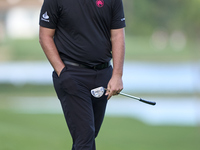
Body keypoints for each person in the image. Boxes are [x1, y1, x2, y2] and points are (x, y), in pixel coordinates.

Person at [39, 0, 126, 149]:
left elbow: (117, 36)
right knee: (85, 137)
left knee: (88, 136)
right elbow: (45, 36)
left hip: (103, 75)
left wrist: (117, 75)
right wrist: (62, 72)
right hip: (71, 75)